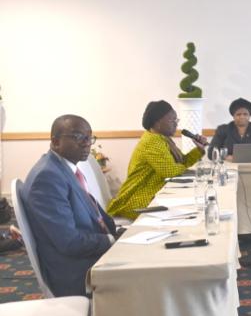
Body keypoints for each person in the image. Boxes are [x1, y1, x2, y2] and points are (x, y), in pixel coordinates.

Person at [21, 115, 116, 296]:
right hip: (77, 272)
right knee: (148, 276)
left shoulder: (64, 168)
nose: (87, 143)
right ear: (55, 142)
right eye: (78, 137)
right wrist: (111, 240)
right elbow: (69, 242)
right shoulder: (47, 177)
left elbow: (92, 212)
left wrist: (117, 232)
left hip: (89, 255)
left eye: (89, 137)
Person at [107, 100, 206, 220]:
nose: (176, 124)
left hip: (153, 195)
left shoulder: (163, 139)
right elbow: (171, 172)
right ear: (158, 122)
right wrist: (194, 172)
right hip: (137, 200)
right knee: (191, 208)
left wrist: (198, 150)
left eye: (176, 120)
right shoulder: (152, 142)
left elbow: (181, 164)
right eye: (172, 120)